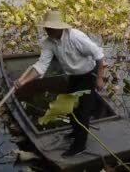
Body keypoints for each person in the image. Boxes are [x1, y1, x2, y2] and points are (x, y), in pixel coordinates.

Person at [13, 10, 105, 157]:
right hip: (73, 76)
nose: (47, 30)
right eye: (46, 27)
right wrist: (22, 81)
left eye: (50, 27)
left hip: (88, 75)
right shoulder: (48, 42)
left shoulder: (75, 37)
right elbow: (41, 66)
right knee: (71, 106)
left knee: (83, 112)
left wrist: (100, 78)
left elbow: (99, 54)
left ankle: (79, 146)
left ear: (59, 27)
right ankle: (75, 132)